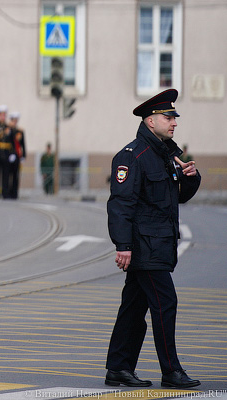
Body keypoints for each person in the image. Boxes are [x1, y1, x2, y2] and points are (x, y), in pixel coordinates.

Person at [104, 89, 201, 389]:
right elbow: (121, 204)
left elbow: (176, 199)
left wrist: (190, 176)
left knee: (134, 309)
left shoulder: (167, 155)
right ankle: (171, 371)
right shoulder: (133, 156)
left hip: (158, 245)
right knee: (165, 303)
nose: (173, 123)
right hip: (145, 248)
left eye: (174, 117)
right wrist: (123, 246)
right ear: (150, 121)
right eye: (168, 117)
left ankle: (119, 368)